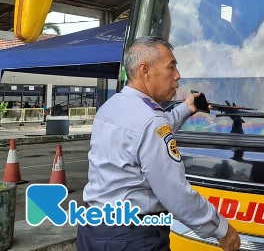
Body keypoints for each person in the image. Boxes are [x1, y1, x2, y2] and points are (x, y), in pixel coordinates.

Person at [77, 36, 241, 251]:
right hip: (131, 238)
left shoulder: (112, 106)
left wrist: (186, 107)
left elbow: (149, 132)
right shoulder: (150, 121)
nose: (177, 76)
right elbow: (175, 193)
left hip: (92, 230)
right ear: (145, 70)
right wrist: (221, 229)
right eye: (171, 67)